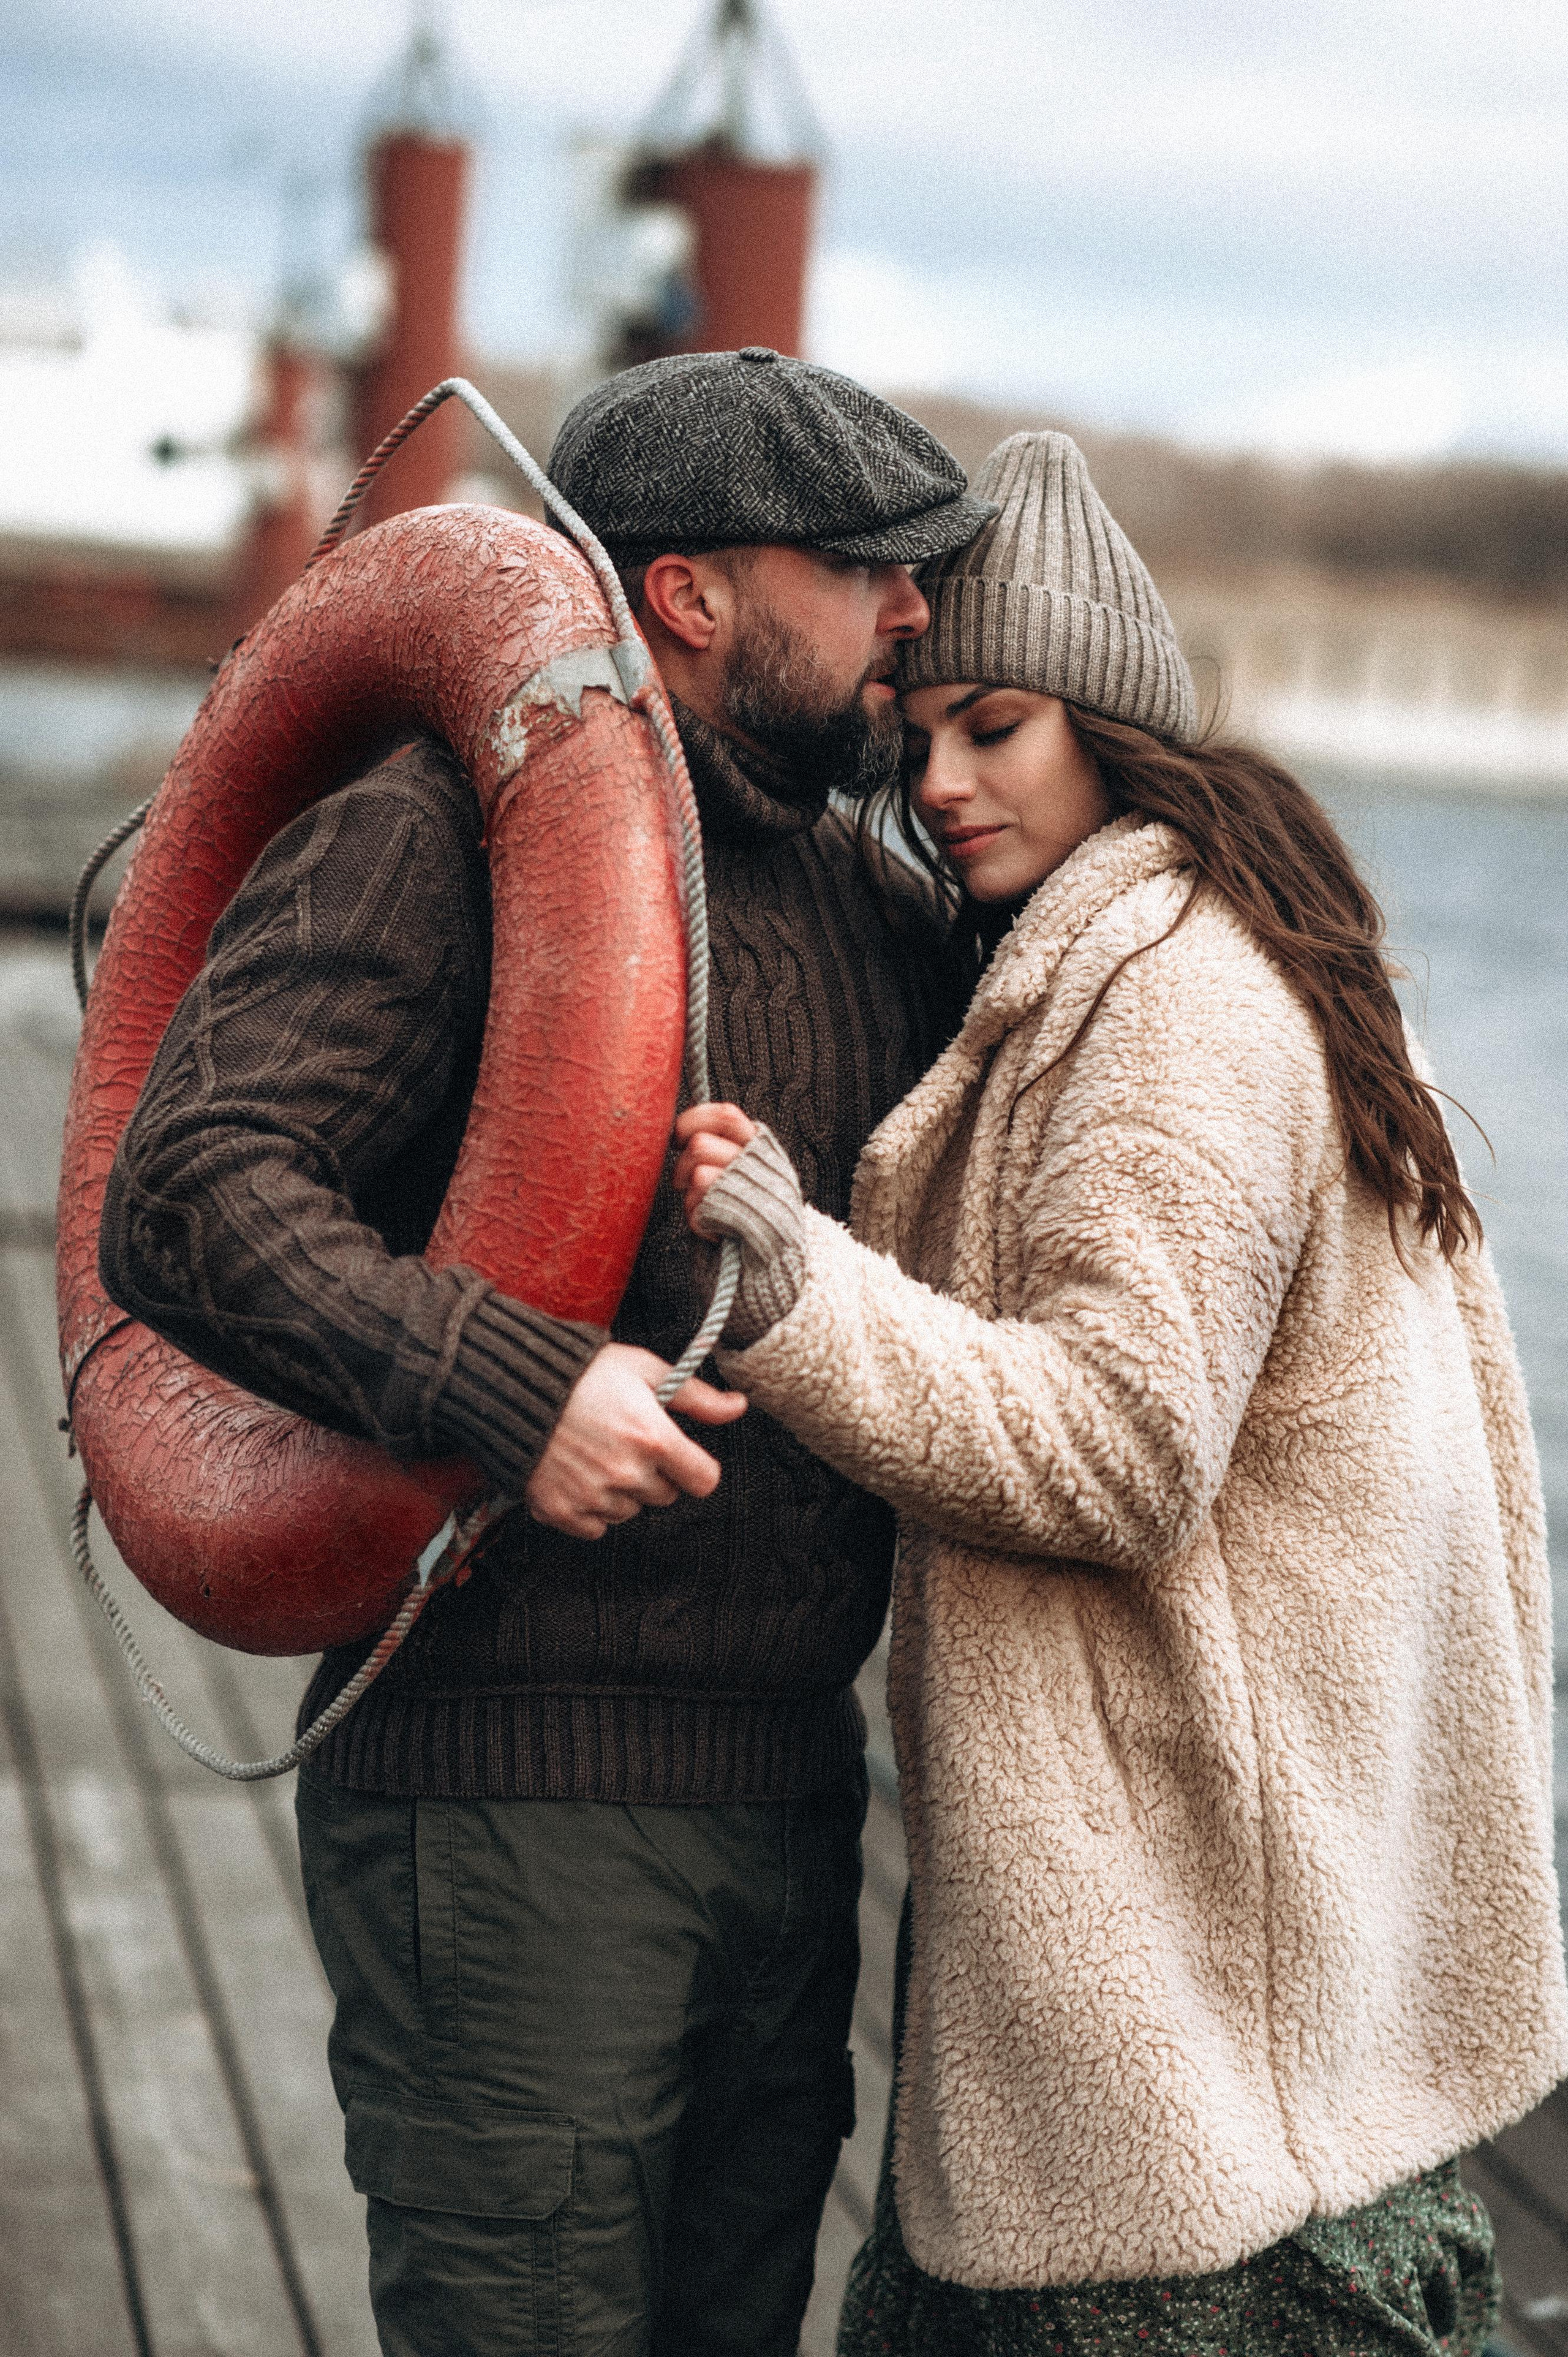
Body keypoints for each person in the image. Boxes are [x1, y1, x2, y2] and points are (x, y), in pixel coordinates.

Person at [99, 349, 997, 2356]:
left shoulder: (878, 904)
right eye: (866, 568)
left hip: (796, 1804)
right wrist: (517, 1387)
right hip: (509, 1811)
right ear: (691, 593)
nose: (913, 610)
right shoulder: (441, 838)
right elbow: (193, 1185)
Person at [676, 430, 1568, 2356]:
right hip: (1223, 1964)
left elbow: (1120, 1446)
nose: (942, 783)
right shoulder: (1207, 952)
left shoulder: (1172, 999)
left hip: (1180, 2050)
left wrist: (797, 1283)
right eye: (919, 738)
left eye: (994, 729)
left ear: (1115, 728)